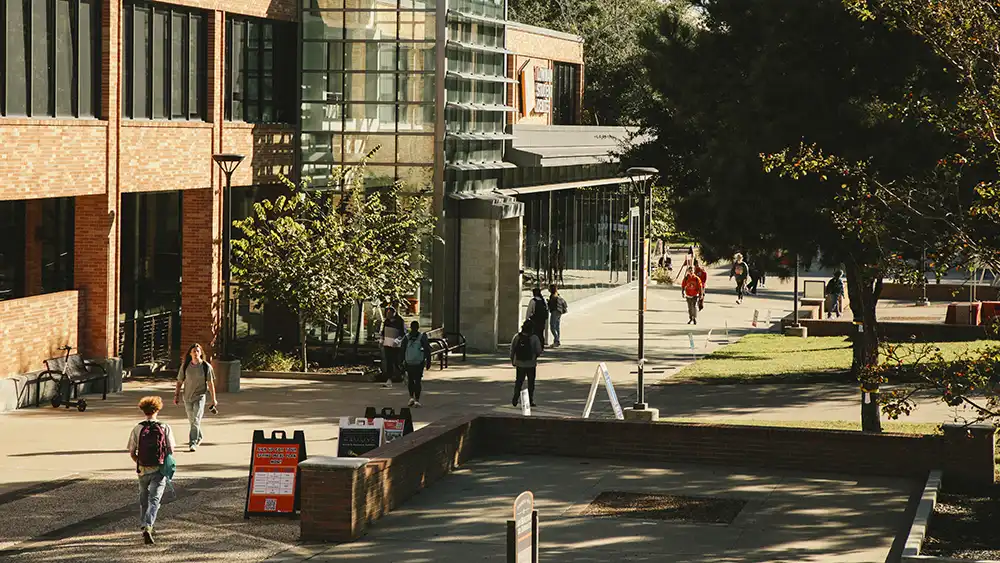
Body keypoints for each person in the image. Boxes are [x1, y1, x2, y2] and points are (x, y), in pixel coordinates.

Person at [127, 395, 176, 545]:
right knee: (155, 499)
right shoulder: (164, 427)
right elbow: (171, 449)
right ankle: (148, 525)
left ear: (143, 410)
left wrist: (140, 462)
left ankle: (144, 523)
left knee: (143, 497)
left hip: (142, 469)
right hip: (159, 469)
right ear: (157, 409)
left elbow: (132, 451)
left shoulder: (138, 428)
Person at [174, 343, 217, 452]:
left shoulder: (206, 366)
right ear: (190, 353)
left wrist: (213, 399)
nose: (196, 353)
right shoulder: (185, 366)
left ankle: (192, 443)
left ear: (201, 353)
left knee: (196, 419)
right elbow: (179, 381)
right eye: (193, 351)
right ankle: (199, 436)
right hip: (187, 397)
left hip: (200, 396)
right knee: (192, 420)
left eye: (198, 351)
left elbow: (210, 383)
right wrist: (176, 395)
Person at [510, 320, 543, 407]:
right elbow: (539, 351)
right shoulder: (534, 338)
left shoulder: (517, 337)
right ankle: (530, 400)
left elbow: (512, 350)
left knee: (519, 382)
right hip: (531, 364)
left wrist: (513, 360)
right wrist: (535, 356)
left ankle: (515, 398)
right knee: (531, 383)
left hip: (519, 363)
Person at [401, 320, 432, 407]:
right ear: (418, 327)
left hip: (409, 362)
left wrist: (401, 362)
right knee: (418, 380)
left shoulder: (406, 337)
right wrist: (428, 361)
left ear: (410, 327)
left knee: (410, 380)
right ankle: (417, 400)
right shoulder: (422, 337)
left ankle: (411, 397)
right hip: (419, 362)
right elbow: (427, 349)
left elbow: (402, 350)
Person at [380, 306, 405, 387]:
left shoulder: (399, 321)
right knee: (389, 362)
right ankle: (389, 379)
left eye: (390, 313)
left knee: (396, 361)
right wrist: (381, 340)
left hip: (396, 345)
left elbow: (402, 333)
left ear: (394, 313)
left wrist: (397, 341)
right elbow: (383, 332)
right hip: (387, 344)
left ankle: (403, 375)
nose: (388, 315)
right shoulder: (386, 321)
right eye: (387, 313)